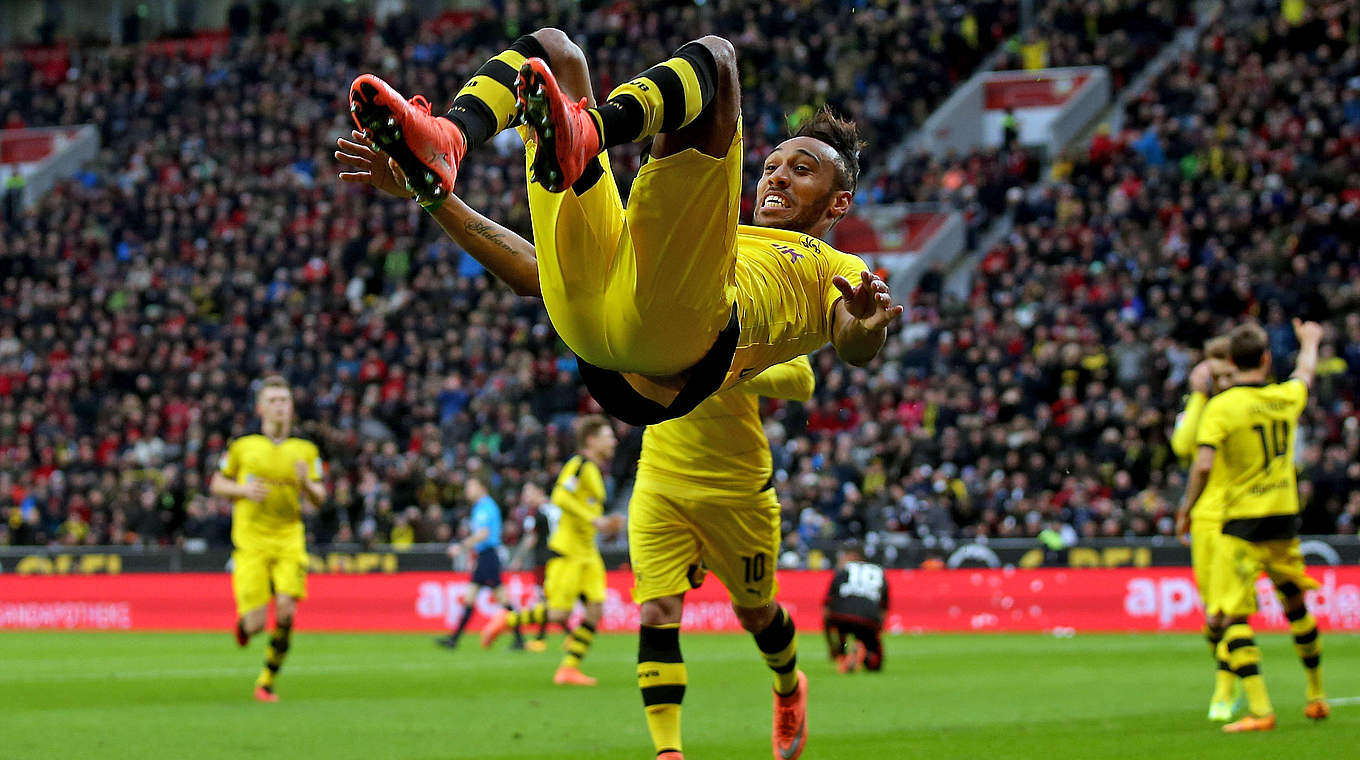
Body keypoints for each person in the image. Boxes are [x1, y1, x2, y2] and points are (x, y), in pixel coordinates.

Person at [335, 125, 817, 759]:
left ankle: (788, 684)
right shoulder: (689, 248)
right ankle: (668, 753)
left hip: (737, 490)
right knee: (655, 615)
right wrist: (434, 197)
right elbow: (540, 275)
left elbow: (804, 376)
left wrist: (722, 360)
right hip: (662, 481)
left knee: (758, 614)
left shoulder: (779, 273)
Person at [347, 27, 902, 428]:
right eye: (772, 166)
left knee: (718, 59)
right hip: (589, 326)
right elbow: (532, 277)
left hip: (683, 338)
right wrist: (433, 197)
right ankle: (450, 139)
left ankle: (593, 130)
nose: (776, 178)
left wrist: (866, 325)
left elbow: (853, 345)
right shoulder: (716, 239)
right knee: (555, 53)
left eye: (801, 171)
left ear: (838, 204)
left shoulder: (839, 269)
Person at [1177, 320, 1329, 733]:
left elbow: (1203, 463)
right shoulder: (1284, 397)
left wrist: (1187, 507)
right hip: (1283, 517)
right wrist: (1310, 341)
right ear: (1265, 358)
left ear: (1233, 362)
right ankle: (1316, 695)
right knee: (1295, 604)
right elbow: (1305, 374)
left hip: (1240, 521)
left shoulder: (1221, 408)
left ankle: (1260, 710)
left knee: (1232, 615)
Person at [209, 375, 326, 702]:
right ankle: (245, 627)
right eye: (273, 401)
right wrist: (243, 490)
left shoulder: (305, 450)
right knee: (257, 622)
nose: (280, 407)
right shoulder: (243, 446)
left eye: (285, 401)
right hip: (251, 543)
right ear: (261, 408)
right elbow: (217, 483)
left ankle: (266, 681)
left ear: (292, 408)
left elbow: (320, 497)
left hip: (289, 538)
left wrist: (306, 485)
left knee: (287, 611)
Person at [483, 415, 619, 687]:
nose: (613, 441)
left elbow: (586, 510)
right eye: (608, 435)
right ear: (591, 440)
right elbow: (559, 496)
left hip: (588, 553)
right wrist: (595, 520)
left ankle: (568, 668)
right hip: (568, 551)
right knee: (559, 615)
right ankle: (507, 619)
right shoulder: (579, 465)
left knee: (595, 610)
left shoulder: (596, 471)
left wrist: (606, 527)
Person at [1171, 336, 1241, 721]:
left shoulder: (1243, 404)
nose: (1224, 380)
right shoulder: (1204, 407)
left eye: (1228, 372)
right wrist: (1197, 396)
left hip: (1238, 516)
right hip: (1206, 520)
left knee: (1225, 611)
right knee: (1212, 619)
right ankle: (1235, 674)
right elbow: (1183, 445)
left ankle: (1226, 689)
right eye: (1217, 374)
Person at [436, 477, 523, 651]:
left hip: (489, 556)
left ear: (482, 487)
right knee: (470, 598)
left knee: (502, 599)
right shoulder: (480, 507)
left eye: (471, 486)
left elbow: (483, 534)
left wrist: (460, 547)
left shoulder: (486, 507)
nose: (467, 490)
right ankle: (454, 640)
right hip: (483, 556)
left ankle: (519, 639)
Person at [823, 540, 888, 673]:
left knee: (840, 627)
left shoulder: (844, 570)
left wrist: (831, 645)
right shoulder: (879, 572)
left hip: (840, 617)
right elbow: (883, 610)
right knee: (875, 665)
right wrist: (875, 634)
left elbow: (826, 607)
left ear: (853, 556)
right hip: (868, 619)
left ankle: (843, 655)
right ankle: (864, 653)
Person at [506, 481, 554, 649]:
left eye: (529, 492)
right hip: (550, 560)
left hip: (546, 561)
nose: (526, 497)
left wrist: (518, 558)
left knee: (545, 600)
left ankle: (540, 638)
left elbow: (531, 538)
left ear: (539, 492)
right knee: (548, 600)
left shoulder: (542, 512)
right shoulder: (547, 510)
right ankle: (542, 637)